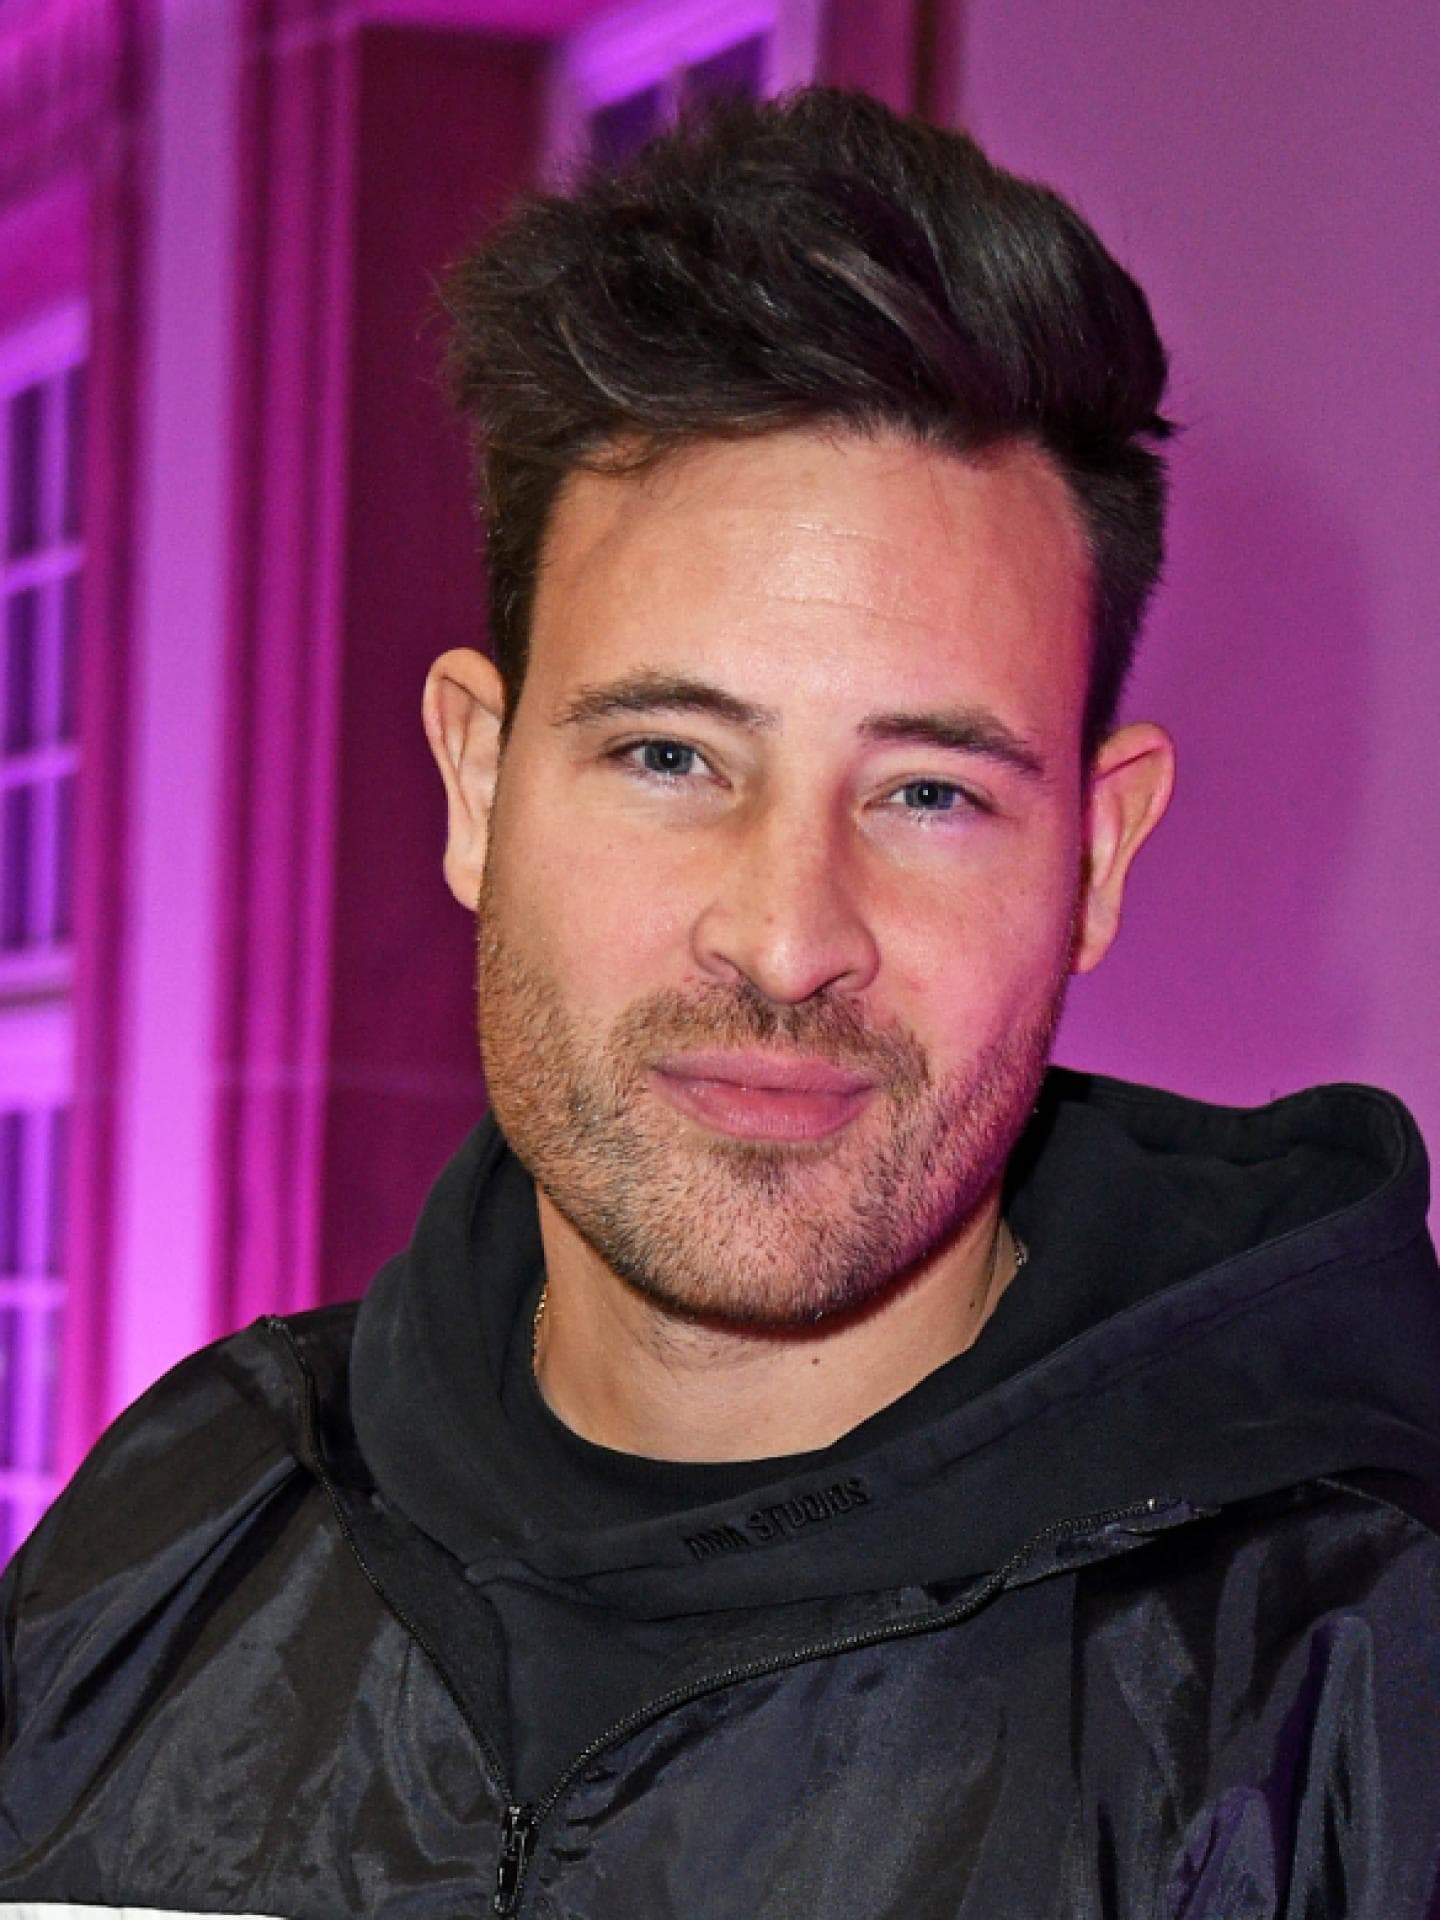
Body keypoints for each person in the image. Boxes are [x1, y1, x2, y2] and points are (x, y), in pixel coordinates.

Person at [3, 87, 1439, 1920]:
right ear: (477, 785)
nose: (784, 938)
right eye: (671, 756)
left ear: (1095, 856)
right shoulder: (170, 1546)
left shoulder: (1349, 1700)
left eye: (929, 793)